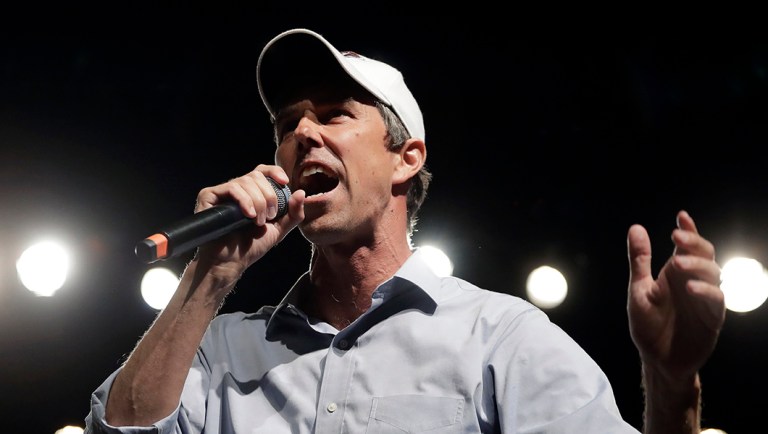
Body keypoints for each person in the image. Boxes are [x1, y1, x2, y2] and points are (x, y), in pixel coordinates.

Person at [84, 28, 725, 433]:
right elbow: (119, 429)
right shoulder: (218, 351)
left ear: (405, 158)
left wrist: (672, 386)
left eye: (335, 115)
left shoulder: (500, 340)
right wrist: (208, 277)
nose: (301, 135)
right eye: (287, 125)